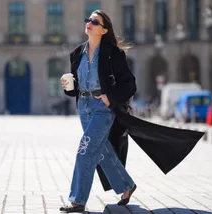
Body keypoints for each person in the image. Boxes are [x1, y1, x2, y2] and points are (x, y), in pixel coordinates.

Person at [59, 10, 137, 213]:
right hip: (83, 107)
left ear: (103, 30)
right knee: (102, 151)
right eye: (88, 20)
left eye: (95, 21)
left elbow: (130, 84)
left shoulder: (113, 53)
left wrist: (109, 97)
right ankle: (126, 186)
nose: (89, 23)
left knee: (85, 150)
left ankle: (77, 200)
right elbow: (75, 89)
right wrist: (68, 86)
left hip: (103, 107)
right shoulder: (77, 54)